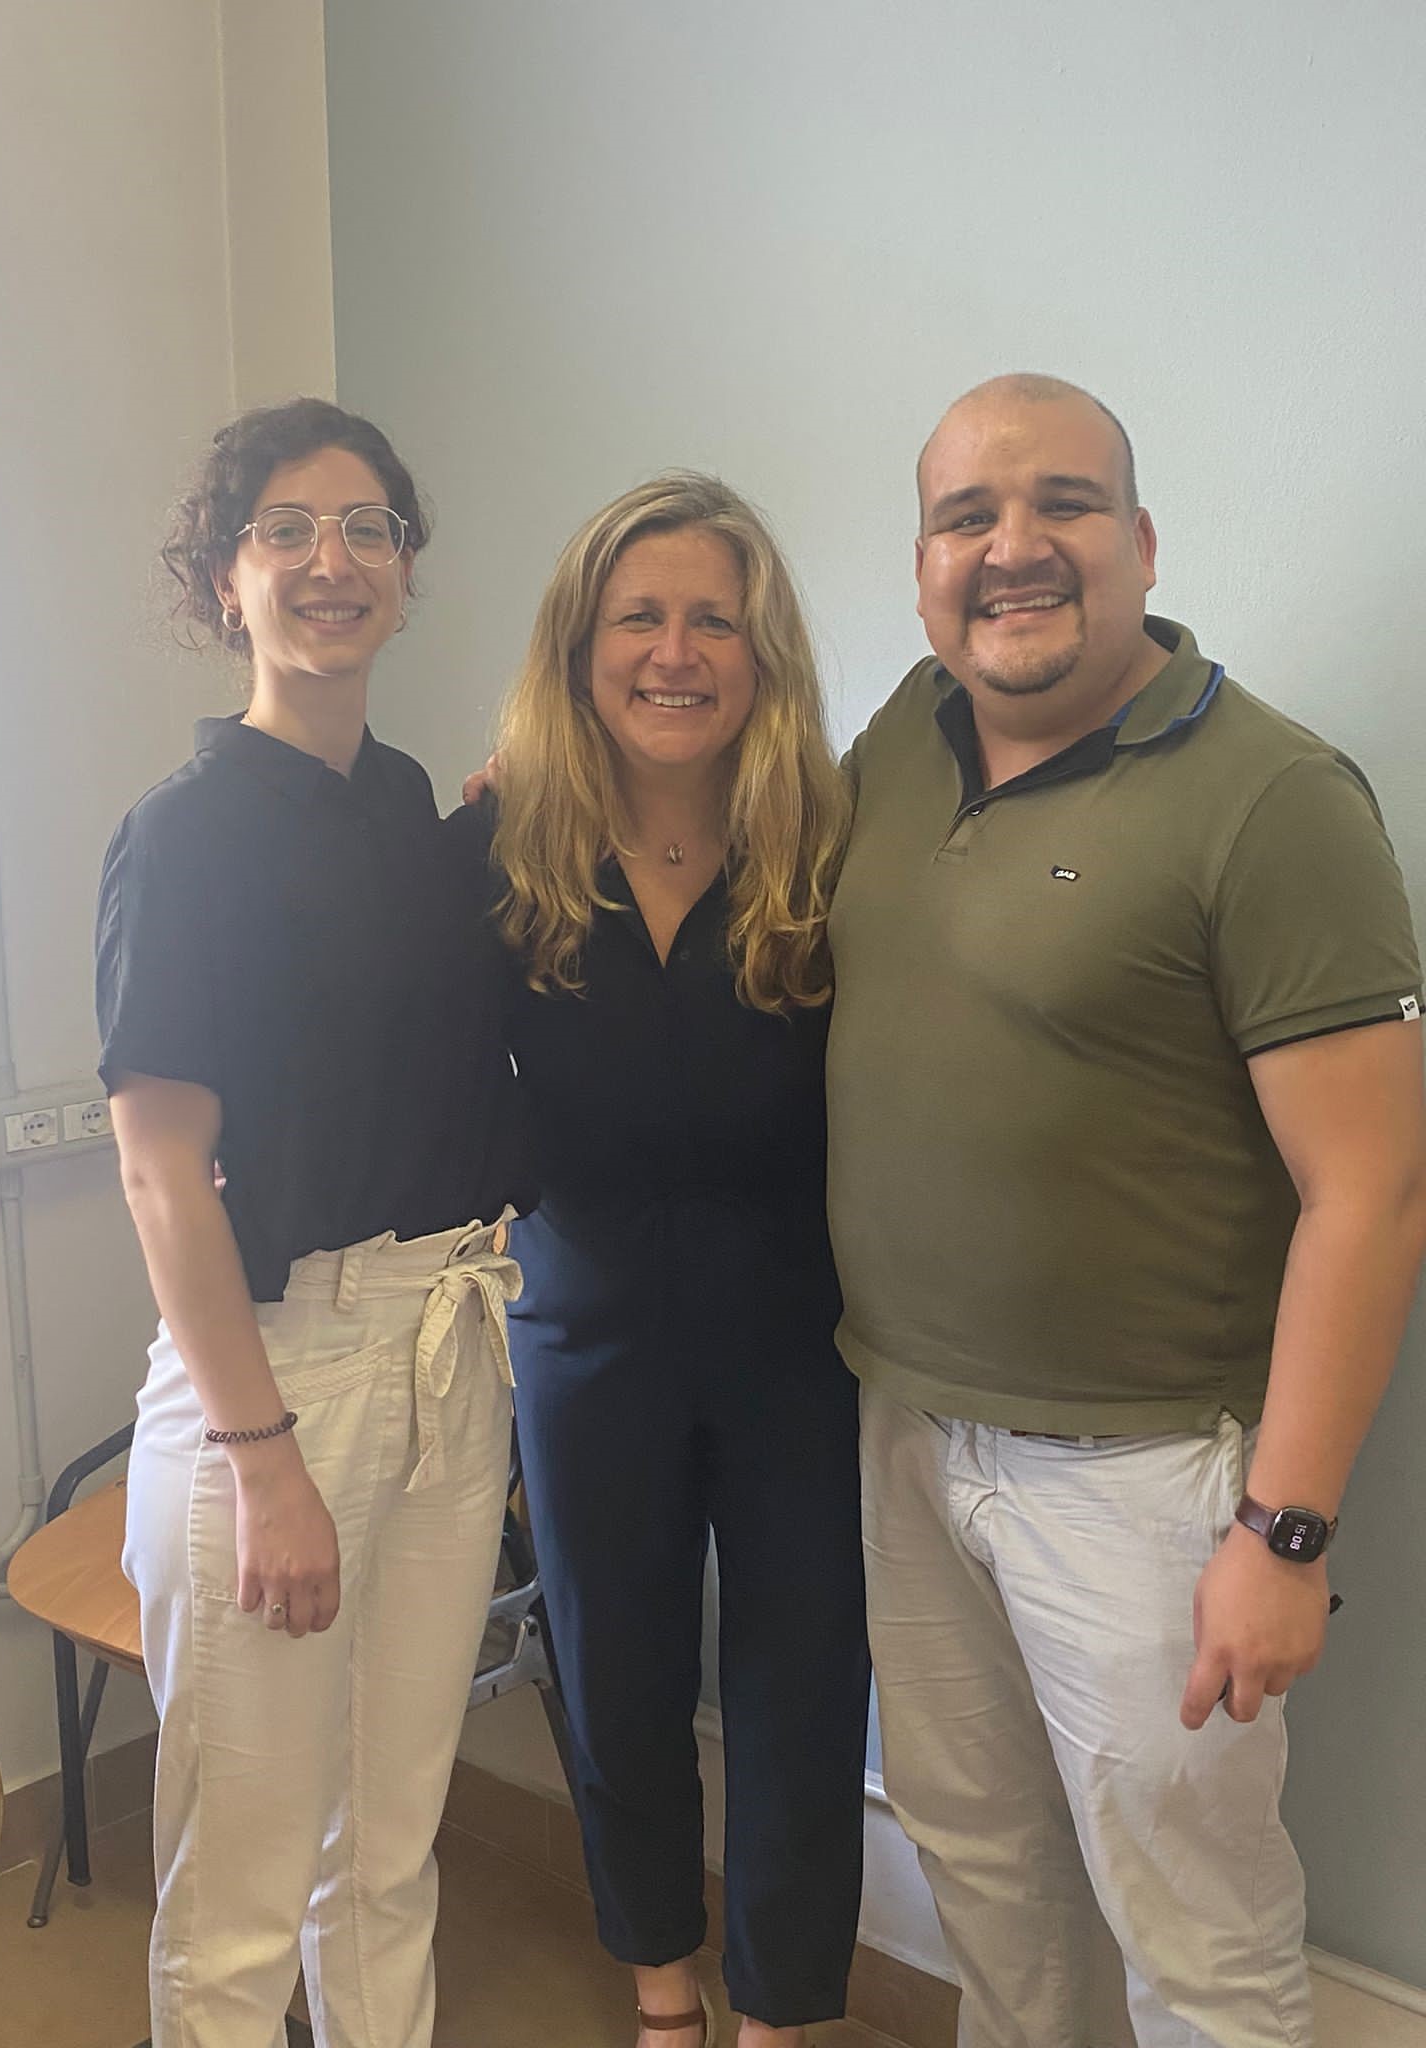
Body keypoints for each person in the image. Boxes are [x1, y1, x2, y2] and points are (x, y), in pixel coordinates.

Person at [828, 374, 1426, 2048]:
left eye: (1064, 506)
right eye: (968, 517)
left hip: (1148, 1484)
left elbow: (1372, 1194)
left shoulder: (1274, 798)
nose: (1014, 549)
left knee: (1197, 1929)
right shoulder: (899, 733)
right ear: (925, 563)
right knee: (985, 1872)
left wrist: (1285, 1533)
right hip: (905, 1434)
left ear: (1142, 543)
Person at [96, 397, 529, 2048]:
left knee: (391, 1844)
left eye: (364, 529)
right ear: (226, 582)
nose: (330, 562)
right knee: (241, 1899)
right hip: (276, 1383)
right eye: (287, 531)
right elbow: (158, 1173)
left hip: (445, 1349)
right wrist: (261, 1454)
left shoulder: (403, 800)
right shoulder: (186, 835)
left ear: (407, 572)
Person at [454, 474, 871, 2048]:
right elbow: (384, 1032)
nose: (677, 651)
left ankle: (778, 2013)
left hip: (803, 1348)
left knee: (800, 1692)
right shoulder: (500, 847)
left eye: (716, 619)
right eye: (641, 616)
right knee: (613, 1678)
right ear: (581, 647)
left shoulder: (831, 836)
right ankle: (660, 1995)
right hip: (585, 1339)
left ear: (763, 655)